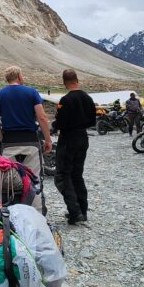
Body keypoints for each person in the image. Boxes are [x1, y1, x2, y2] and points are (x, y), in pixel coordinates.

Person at [0, 66, 52, 212]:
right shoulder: (32, 92)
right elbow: (42, 117)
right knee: (34, 178)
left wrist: (2, 137)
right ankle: (36, 213)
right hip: (30, 141)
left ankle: (10, 212)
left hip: (9, 142)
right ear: (19, 76)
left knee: (8, 180)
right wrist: (48, 140)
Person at [53, 68, 96, 224]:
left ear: (64, 83)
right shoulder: (88, 98)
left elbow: (60, 123)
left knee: (63, 175)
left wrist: (55, 124)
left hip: (68, 139)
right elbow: (93, 121)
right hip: (83, 138)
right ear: (77, 80)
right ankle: (83, 211)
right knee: (77, 174)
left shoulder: (66, 100)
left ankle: (74, 211)